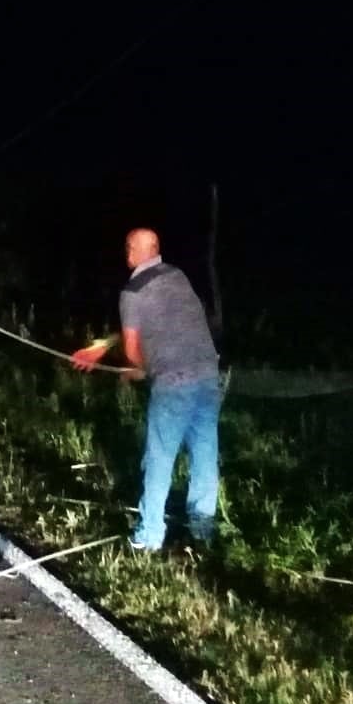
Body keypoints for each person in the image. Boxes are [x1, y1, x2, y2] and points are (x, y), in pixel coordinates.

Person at [72, 228, 222, 552]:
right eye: (126, 243)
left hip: (173, 382)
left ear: (148, 249)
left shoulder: (132, 291)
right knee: (205, 454)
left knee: (159, 458)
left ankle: (149, 536)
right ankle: (202, 532)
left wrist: (139, 369)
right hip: (208, 374)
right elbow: (162, 321)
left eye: (131, 245)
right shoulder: (177, 276)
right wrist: (103, 345)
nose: (126, 249)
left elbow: (132, 349)